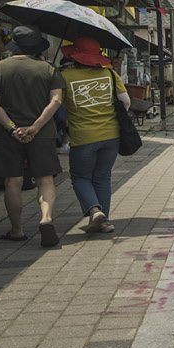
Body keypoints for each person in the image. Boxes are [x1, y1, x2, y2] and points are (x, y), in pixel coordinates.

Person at [0, 27, 64, 246]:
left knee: (13, 182)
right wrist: (36, 126)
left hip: (6, 135)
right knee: (45, 180)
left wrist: (12, 128)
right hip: (43, 134)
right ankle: (46, 218)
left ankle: (17, 230)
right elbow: (56, 101)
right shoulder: (49, 69)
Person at [59, 36, 130, 235]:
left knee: (80, 177)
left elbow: (57, 105)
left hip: (83, 137)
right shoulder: (109, 73)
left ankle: (95, 211)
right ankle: (103, 221)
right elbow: (125, 102)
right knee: (102, 177)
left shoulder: (65, 77)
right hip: (111, 135)